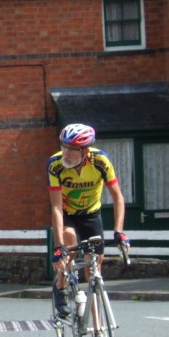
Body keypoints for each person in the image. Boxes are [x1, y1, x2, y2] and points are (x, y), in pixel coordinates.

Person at [47, 124, 129, 321]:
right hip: (66, 213)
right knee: (69, 247)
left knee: (94, 270)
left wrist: (119, 231)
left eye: (72, 149)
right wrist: (59, 246)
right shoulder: (55, 164)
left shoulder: (100, 161)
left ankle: (98, 327)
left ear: (84, 151)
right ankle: (60, 286)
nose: (66, 153)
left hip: (91, 214)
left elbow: (118, 197)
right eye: (64, 147)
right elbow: (56, 207)